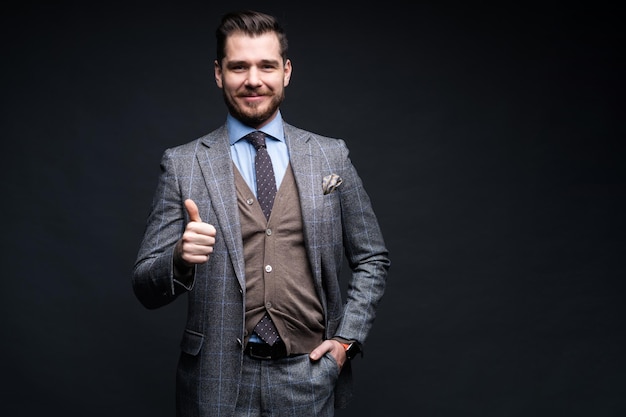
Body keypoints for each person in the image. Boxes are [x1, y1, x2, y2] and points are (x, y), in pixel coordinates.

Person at [132, 9, 390, 417]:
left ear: (286, 71)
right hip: (215, 384)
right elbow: (145, 286)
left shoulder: (329, 155)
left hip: (309, 377)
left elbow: (372, 257)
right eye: (239, 67)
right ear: (219, 73)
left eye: (266, 65)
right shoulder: (182, 164)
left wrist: (345, 342)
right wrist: (179, 260)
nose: (253, 79)